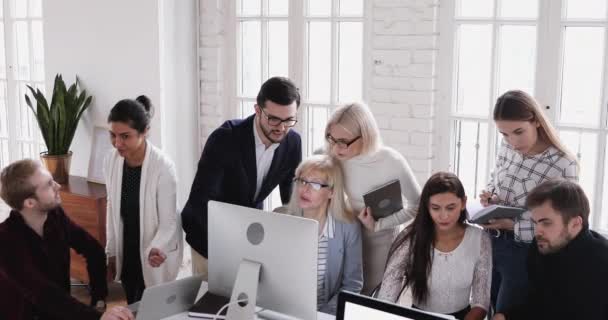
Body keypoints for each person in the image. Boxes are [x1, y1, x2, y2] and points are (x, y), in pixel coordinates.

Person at [182, 77, 302, 278]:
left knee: (244, 303)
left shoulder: (293, 143)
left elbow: (291, 197)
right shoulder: (225, 138)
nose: (281, 128)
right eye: (273, 119)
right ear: (257, 110)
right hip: (207, 236)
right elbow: (202, 202)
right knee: (208, 303)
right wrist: (232, 246)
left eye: (289, 120)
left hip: (249, 238)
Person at [479, 90, 578, 314]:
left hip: (525, 252)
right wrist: (492, 197)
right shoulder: (506, 148)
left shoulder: (562, 164)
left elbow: (562, 223)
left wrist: (511, 225)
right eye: (504, 134)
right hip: (491, 242)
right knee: (488, 308)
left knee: (506, 312)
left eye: (519, 132)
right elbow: (497, 178)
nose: (512, 141)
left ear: (536, 121)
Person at [0, 159, 134, 320]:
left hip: (59, 312)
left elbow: (93, 250)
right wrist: (97, 317)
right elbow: (43, 294)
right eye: (48, 184)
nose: (57, 186)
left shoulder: (55, 217)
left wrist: (99, 300)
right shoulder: (5, 241)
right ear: (30, 202)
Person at [324, 102, 421, 294]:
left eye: (343, 141)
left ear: (365, 136)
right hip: (348, 235)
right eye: (331, 139)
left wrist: (378, 225)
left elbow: (418, 205)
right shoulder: (334, 154)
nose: (336, 148)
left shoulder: (391, 161)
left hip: (381, 239)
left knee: (372, 295)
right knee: (345, 291)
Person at [378, 172, 491, 320]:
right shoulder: (410, 238)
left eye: (450, 208)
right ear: (427, 207)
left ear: (463, 203)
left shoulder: (480, 239)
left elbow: (481, 301)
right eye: (436, 208)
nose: (443, 216)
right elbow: (387, 293)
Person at [492, 179, 608, 320]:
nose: (537, 232)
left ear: (575, 224)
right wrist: (506, 317)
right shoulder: (541, 247)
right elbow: (539, 303)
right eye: (535, 223)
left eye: (546, 223)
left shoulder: (601, 263)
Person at [105, 95, 183, 304]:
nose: (117, 143)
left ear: (145, 131)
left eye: (125, 136)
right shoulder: (111, 161)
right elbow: (112, 207)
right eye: (112, 135)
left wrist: (157, 248)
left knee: (154, 307)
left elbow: (169, 223)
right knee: (133, 303)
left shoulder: (163, 167)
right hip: (128, 246)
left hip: (153, 249)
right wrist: (111, 251)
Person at [285, 155, 363, 315]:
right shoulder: (281, 220)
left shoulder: (348, 227)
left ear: (332, 193)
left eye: (314, 184)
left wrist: (323, 315)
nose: (305, 189)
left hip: (325, 314)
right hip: (285, 310)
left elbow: (352, 285)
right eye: (302, 181)